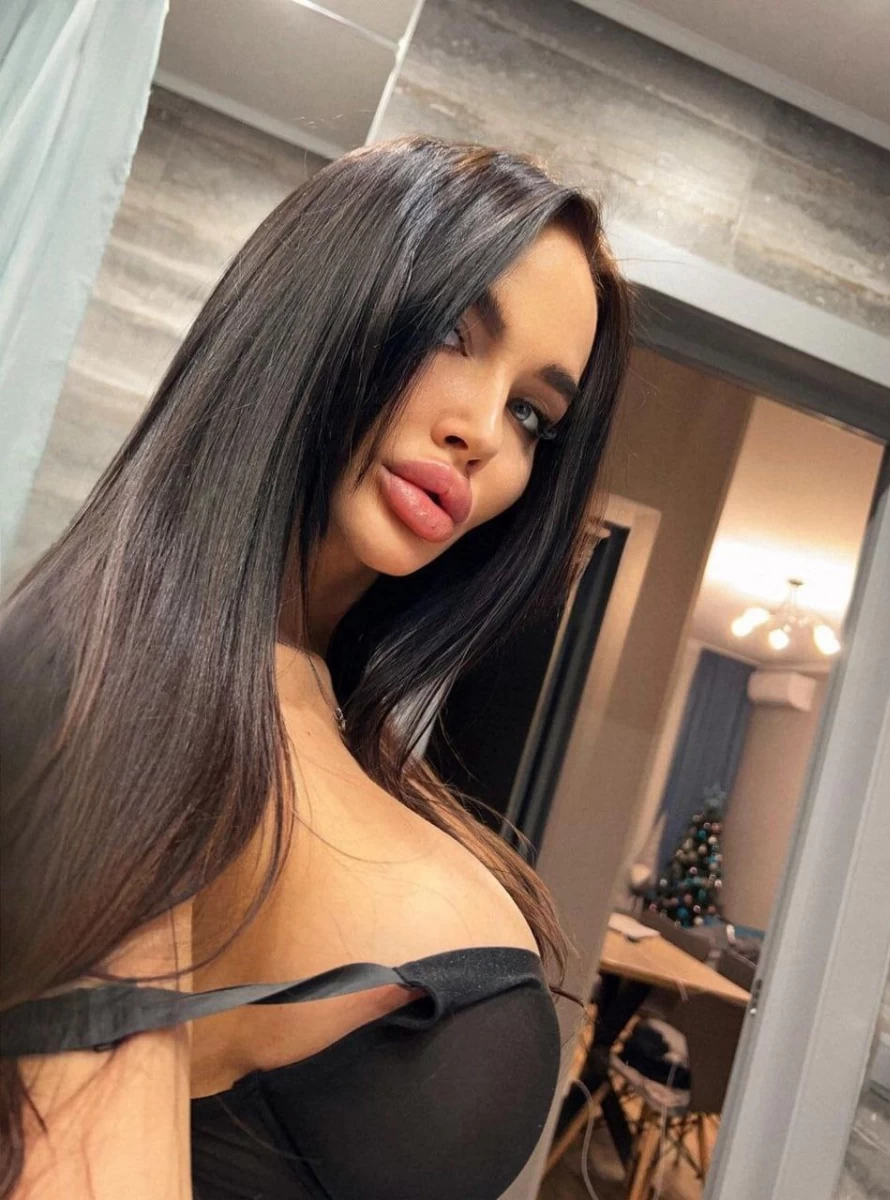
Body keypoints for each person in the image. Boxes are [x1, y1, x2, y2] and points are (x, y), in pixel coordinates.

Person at [0, 133, 632, 1199]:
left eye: (533, 414)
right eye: (451, 332)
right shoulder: (104, 692)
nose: (484, 432)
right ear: (315, 305)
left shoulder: (321, 712)